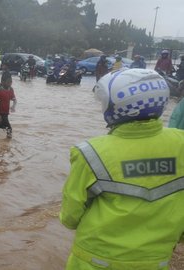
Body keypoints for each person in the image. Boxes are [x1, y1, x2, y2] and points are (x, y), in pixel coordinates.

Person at [60, 68, 184, 270]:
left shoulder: (90, 152)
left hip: (94, 261)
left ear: (115, 106)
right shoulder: (181, 144)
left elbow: (70, 216)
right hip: (156, 261)